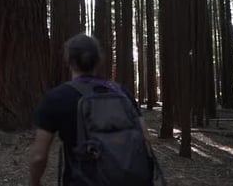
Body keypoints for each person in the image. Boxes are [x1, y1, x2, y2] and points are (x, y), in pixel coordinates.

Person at [30, 34, 152, 186]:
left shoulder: (57, 97)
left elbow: (38, 157)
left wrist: (34, 182)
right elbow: (145, 138)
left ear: (69, 61)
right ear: (98, 61)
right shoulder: (121, 92)